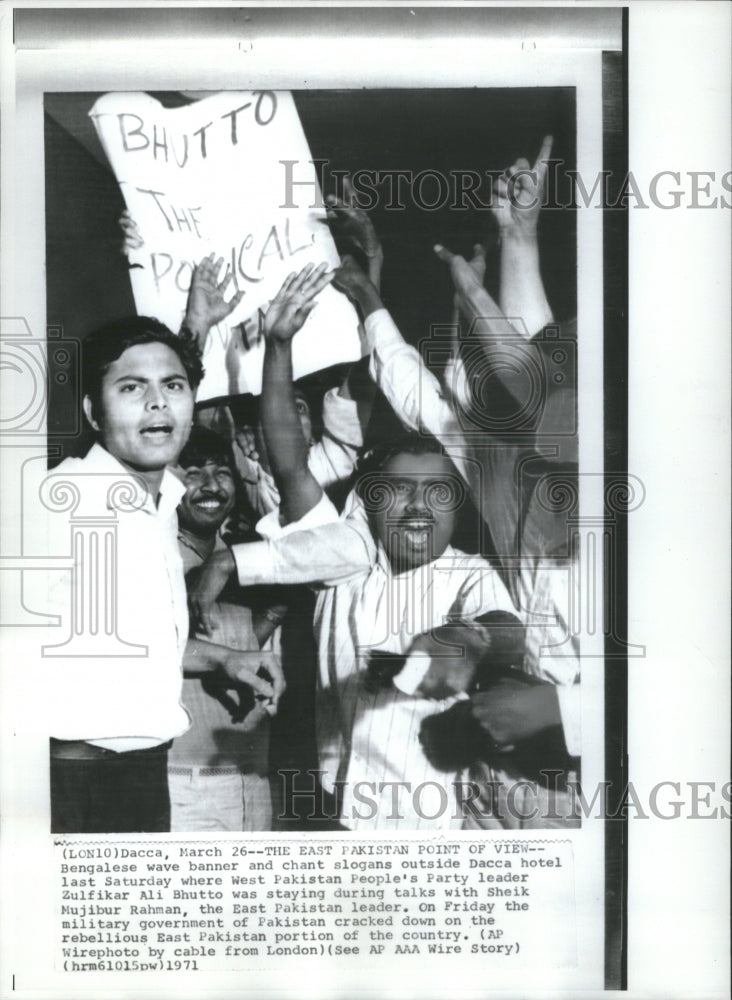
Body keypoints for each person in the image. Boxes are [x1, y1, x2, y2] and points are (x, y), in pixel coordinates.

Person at [190, 431, 515, 831]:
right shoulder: (339, 565)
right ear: (369, 501)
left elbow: (508, 628)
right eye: (400, 489)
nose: (420, 506)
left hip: (425, 823)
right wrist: (228, 562)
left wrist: (468, 638)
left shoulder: (468, 574)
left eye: (439, 492)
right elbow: (290, 466)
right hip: (335, 806)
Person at [45, 317, 283, 834]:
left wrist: (227, 659)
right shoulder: (60, 502)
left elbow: (147, 643)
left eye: (172, 386)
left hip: (142, 772)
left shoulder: (162, 505)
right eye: (132, 388)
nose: (158, 402)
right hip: (72, 779)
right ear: (92, 411)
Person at [169, 425, 282, 831]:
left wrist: (270, 616)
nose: (210, 485)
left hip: (252, 774)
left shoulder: (235, 553)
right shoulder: (152, 552)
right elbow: (149, 648)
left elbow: (237, 649)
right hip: (187, 780)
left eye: (221, 472)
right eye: (193, 472)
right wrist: (228, 659)